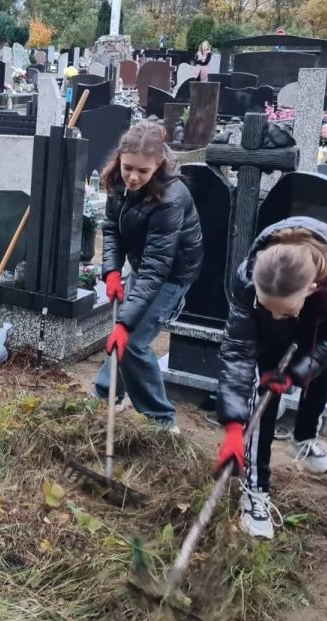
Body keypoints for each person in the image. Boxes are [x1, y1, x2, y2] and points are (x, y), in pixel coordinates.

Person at [214, 217, 327, 540]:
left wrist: (295, 372)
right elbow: (237, 354)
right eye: (270, 308)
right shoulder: (247, 283)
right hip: (265, 336)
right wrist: (235, 426)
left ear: (311, 287)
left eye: (285, 312)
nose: (278, 315)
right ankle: (255, 492)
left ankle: (304, 438)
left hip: (317, 323)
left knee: (320, 371)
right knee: (260, 401)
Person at [95, 122, 202, 434]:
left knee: (131, 343)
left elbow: (157, 269)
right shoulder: (119, 182)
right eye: (128, 168)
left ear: (159, 165)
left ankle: (161, 420)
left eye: (143, 171)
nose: (133, 177)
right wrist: (112, 270)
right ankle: (108, 392)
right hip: (144, 267)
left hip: (171, 274)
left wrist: (125, 324)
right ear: (119, 159)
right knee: (124, 335)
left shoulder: (171, 199)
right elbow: (111, 228)